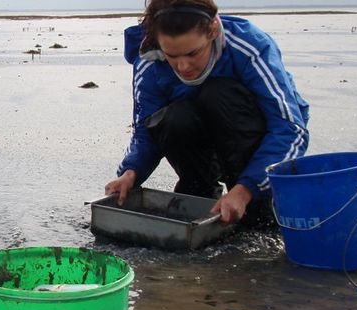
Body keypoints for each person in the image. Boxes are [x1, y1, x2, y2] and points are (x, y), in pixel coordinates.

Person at [105, 0, 309, 226]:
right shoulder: (150, 61)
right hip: (199, 133)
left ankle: (256, 204)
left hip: (251, 132)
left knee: (217, 94)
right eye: (172, 55)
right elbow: (146, 130)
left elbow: (290, 129)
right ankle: (199, 192)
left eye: (193, 53)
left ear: (212, 31)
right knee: (174, 117)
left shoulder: (248, 46)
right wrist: (131, 172)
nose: (183, 66)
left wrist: (246, 189)